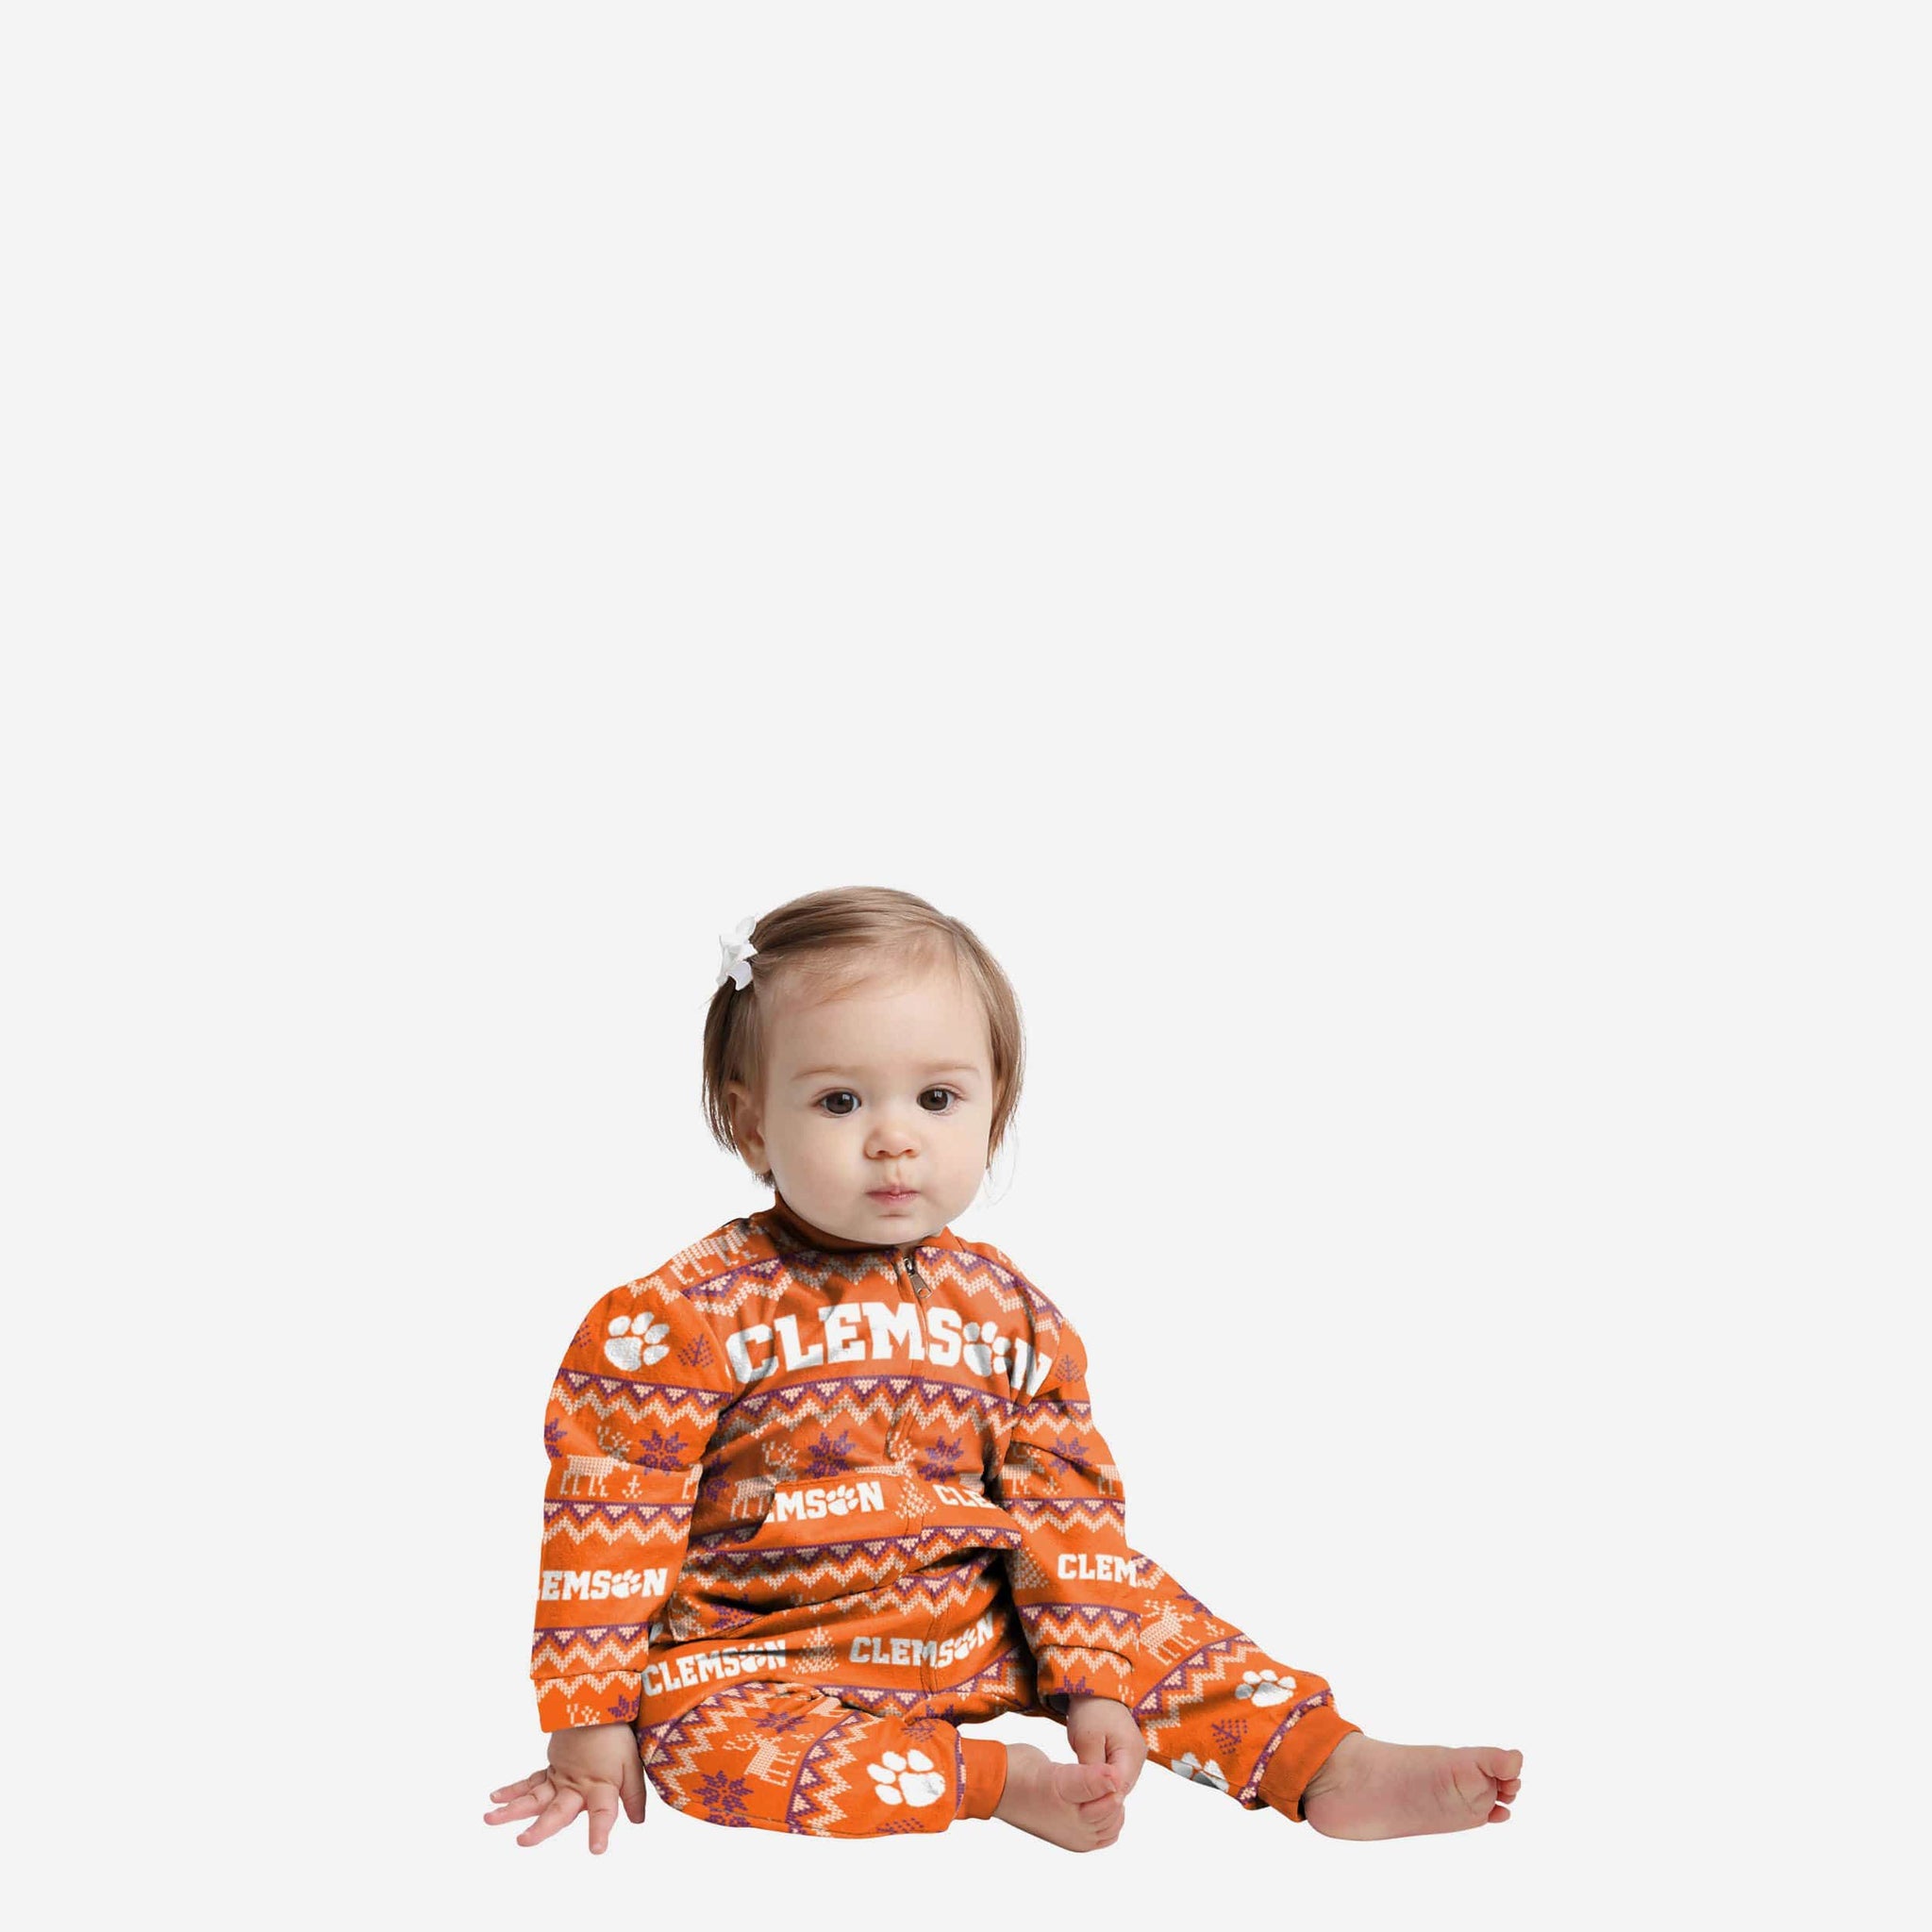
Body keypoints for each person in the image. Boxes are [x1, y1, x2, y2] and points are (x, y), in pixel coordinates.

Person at [483, 886, 1524, 1853]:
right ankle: (988, 1780)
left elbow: (1063, 1503)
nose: (894, 1139)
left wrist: (1094, 1674)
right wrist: (588, 1713)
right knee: (692, 1744)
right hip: (764, 1646)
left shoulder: (1010, 1311)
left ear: (993, 1109)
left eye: (936, 1097)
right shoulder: (674, 1317)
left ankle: (1324, 1761)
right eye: (839, 1102)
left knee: (1138, 1607)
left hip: (983, 1616)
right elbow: (606, 1516)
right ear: (753, 1122)